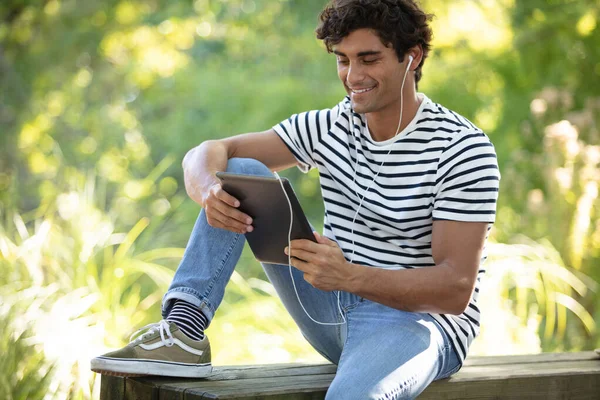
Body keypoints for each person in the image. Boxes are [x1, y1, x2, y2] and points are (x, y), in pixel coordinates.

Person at [91, 0, 500, 398]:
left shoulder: (461, 149)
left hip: (416, 325)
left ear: (412, 57)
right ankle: (184, 330)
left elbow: (455, 289)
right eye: (343, 59)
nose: (353, 75)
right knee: (244, 173)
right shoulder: (331, 125)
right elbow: (211, 150)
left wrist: (351, 275)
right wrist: (208, 192)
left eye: (369, 59)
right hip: (328, 306)